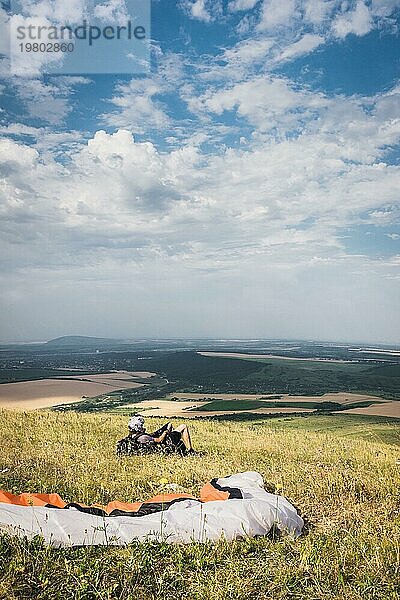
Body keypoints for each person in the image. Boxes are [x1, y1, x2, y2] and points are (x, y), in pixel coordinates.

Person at [116, 415, 194, 456]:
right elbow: (159, 440)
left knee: (170, 424)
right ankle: (190, 450)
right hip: (163, 442)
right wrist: (165, 432)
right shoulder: (143, 437)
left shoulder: (132, 437)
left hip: (155, 441)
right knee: (183, 426)